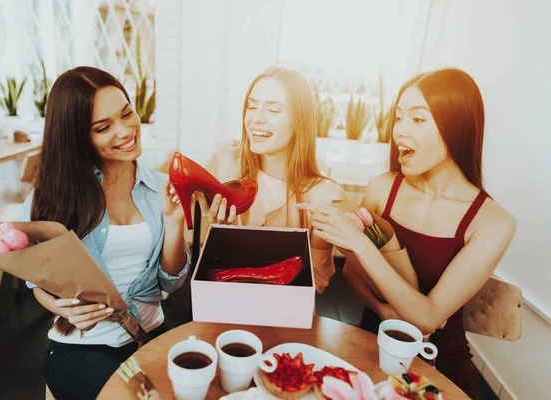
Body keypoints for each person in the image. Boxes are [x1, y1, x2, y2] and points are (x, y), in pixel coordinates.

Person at [297, 68, 516, 399]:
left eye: (417, 119)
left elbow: (427, 318)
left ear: (457, 126)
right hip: (373, 346)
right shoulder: (383, 188)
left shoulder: (493, 222)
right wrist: (384, 313)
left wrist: (357, 241)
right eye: (398, 117)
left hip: (440, 365)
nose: (400, 131)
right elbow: (354, 275)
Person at [16, 66, 190, 400]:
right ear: (78, 136)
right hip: (84, 350)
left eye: (127, 113)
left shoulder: (157, 189)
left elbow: (170, 283)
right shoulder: (53, 196)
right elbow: (36, 282)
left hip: (150, 337)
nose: (125, 131)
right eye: (103, 127)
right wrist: (62, 308)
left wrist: (174, 222)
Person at [199, 66, 345, 293]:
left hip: (287, 317)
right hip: (226, 302)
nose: (256, 119)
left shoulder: (325, 194)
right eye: (252, 106)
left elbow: (317, 282)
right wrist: (223, 235)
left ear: (300, 121)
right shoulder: (226, 165)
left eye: (273, 110)